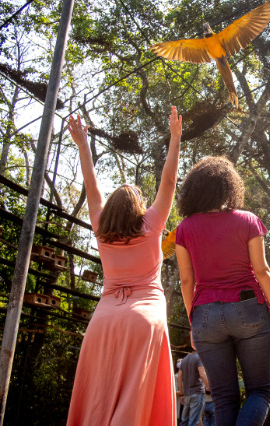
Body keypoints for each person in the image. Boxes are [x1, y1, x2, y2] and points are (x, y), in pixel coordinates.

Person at [66, 107, 182, 426]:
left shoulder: (101, 228)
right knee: (135, 400)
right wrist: (175, 138)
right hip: (144, 317)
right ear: (140, 206)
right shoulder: (151, 224)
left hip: (102, 320)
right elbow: (169, 179)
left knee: (98, 397)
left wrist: (82, 145)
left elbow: (91, 185)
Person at [175, 156, 270, 426]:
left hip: (205, 316)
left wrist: (194, 323)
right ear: (229, 186)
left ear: (195, 189)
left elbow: (186, 282)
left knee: (224, 397)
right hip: (248, 310)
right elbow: (262, 272)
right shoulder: (248, 220)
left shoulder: (184, 229)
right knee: (259, 391)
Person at [177, 351, 208, 426]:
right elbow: (203, 375)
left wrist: (182, 392)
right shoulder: (199, 358)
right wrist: (209, 386)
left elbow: (179, 377)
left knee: (184, 421)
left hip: (187, 394)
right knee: (193, 421)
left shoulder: (184, 360)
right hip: (197, 392)